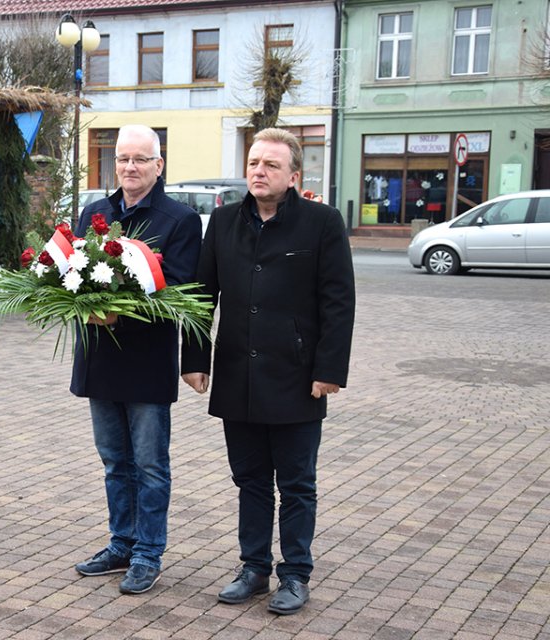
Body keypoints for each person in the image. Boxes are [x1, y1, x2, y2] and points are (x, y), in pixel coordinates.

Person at [181, 127, 355, 614]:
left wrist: (329, 369)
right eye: (254, 163)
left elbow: (339, 302)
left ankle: (295, 574)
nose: (259, 171)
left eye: (271, 165)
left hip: (298, 378)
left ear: (293, 175)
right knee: (250, 479)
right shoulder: (222, 222)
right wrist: (194, 359)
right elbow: (200, 296)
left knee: (297, 484)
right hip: (238, 374)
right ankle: (254, 568)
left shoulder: (322, 222)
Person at [71, 124, 202, 594]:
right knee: (113, 461)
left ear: (158, 165)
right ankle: (121, 543)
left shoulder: (180, 220)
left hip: (147, 363)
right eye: (123, 158)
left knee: (149, 465)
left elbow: (182, 290)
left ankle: (148, 553)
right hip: (99, 360)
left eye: (140, 159)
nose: (129, 166)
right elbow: (74, 277)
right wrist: (84, 306)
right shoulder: (95, 213)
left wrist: (117, 313)